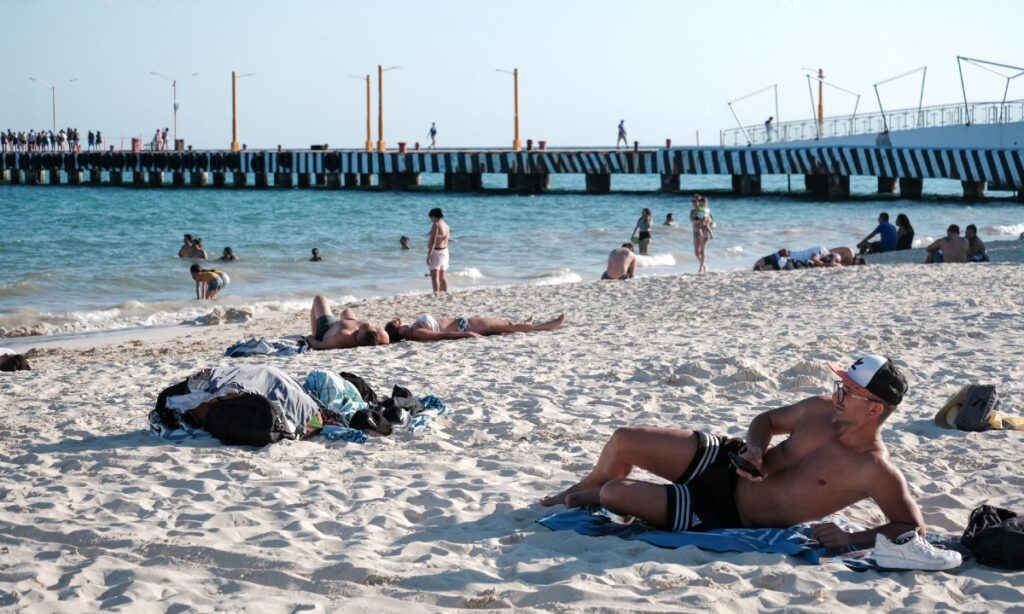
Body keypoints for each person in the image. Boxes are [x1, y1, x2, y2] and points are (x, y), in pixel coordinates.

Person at [541, 355, 929, 549]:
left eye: (847, 390)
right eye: (838, 384)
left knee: (615, 494)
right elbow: (766, 419)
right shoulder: (818, 409)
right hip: (726, 460)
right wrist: (756, 449)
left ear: (874, 409)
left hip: (725, 512)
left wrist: (851, 538)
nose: (836, 393)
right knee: (625, 437)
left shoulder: (873, 469)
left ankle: (597, 493)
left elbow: (912, 527)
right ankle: (583, 487)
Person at [384, 313, 564, 343]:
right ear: (396, 328)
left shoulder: (413, 329)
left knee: (503, 326)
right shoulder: (417, 332)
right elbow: (440, 337)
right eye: (395, 321)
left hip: (464, 322)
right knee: (506, 327)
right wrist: (468, 334)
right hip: (465, 326)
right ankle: (546, 326)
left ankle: (525, 323)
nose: (397, 319)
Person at [305, 295, 389, 349]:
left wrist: (310, 338)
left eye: (361, 329)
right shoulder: (382, 336)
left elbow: (318, 345)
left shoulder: (342, 337)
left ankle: (315, 333)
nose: (369, 324)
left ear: (358, 336)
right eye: (371, 328)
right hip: (347, 323)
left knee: (319, 298)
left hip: (328, 327)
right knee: (347, 311)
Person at [427, 208, 450, 293]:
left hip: (436, 252)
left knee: (434, 277)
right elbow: (447, 238)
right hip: (445, 252)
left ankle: (436, 295)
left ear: (434, 216)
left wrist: (429, 256)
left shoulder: (436, 225)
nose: (431, 220)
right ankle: (444, 293)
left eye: (431, 218)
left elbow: (433, 242)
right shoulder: (446, 225)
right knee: (442, 277)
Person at [689, 195, 714, 273]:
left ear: (699, 201)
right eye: (692, 201)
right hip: (695, 232)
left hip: (703, 232)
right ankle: (704, 265)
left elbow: (709, 221)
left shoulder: (704, 211)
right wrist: (696, 220)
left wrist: (709, 231)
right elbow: (692, 220)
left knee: (702, 251)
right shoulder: (692, 211)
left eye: (695, 201)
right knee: (696, 252)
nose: (693, 203)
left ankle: (701, 268)